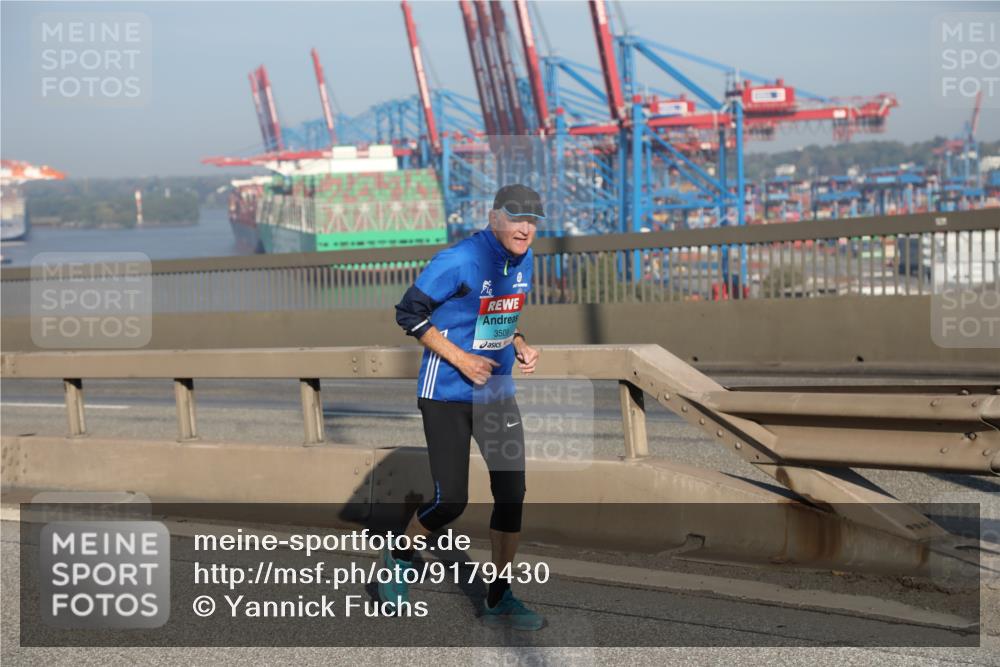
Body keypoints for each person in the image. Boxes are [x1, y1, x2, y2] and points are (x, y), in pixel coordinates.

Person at [386, 184, 545, 631]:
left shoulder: (523, 259)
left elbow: (498, 315)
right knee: (451, 501)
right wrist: (460, 358)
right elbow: (409, 313)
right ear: (494, 217)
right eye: (516, 218)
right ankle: (400, 553)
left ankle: (499, 595)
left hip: (496, 393)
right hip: (446, 394)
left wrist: (519, 342)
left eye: (533, 221)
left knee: (512, 494)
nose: (525, 228)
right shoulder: (458, 260)